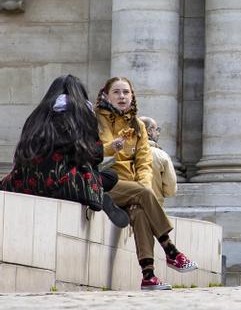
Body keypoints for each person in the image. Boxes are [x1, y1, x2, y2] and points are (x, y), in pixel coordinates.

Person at [97, 77, 196, 291]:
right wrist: (110, 147)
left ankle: (148, 275)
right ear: (106, 96)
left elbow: (144, 162)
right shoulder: (98, 119)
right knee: (141, 196)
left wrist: (143, 186)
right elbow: (94, 151)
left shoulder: (138, 125)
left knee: (141, 211)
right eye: (116, 92)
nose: (122, 96)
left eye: (126, 92)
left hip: (131, 189)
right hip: (104, 183)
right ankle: (171, 250)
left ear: (132, 96)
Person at [0, 75, 128, 228]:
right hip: (62, 184)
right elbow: (95, 155)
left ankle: (102, 196)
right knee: (111, 176)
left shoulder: (36, 115)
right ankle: (101, 197)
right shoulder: (82, 115)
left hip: (25, 181)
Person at [139, 116, 177, 203]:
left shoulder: (123, 153)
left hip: (125, 210)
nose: (158, 133)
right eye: (157, 130)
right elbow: (170, 190)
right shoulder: (161, 155)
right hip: (153, 208)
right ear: (149, 131)